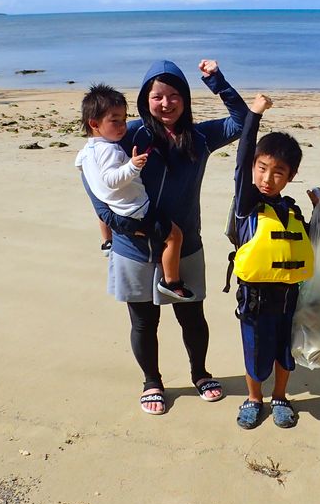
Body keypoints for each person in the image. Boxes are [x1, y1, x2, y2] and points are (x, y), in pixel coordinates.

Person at [82, 59, 247, 415]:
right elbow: (92, 173)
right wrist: (125, 225)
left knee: (192, 317)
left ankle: (201, 374)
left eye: (174, 95)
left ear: (185, 99)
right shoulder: (128, 134)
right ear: (146, 99)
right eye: (157, 96)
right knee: (144, 321)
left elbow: (243, 121)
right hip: (134, 246)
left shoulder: (201, 137)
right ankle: (152, 381)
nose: (166, 103)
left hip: (185, 242)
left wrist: (216, 81)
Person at [229, 93, 311, 430]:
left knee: (284, 351)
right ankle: (254, 398)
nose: (267, 178)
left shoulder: (293, 210)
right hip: (254, 299)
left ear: (290, 176)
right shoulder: (246, 204)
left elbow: (309, 243)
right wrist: (254, 115)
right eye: (262, 168)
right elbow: (243, 152)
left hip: (289, 297)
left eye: (278, 172)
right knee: (254, 350)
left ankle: (280, 396)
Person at [76, 84, 193, 301]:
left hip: (117, 208)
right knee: (174, 236)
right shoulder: (109, 149)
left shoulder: (87, 150)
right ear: (94, 124)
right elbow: (111, 180)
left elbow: (82, 166)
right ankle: (171, 281)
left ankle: (107, 241)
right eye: (115, 121)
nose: (123, 126)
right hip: (137, 209)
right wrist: (132, 166)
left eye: (123, 119)